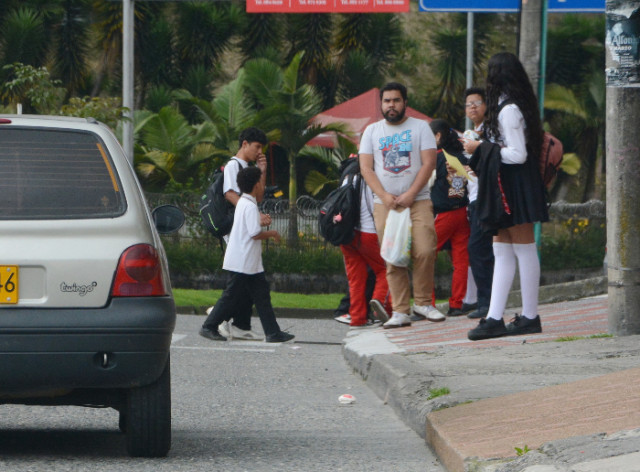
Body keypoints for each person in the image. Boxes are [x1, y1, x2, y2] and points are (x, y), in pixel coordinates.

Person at [463, 52, 549, 341]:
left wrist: (482, 148)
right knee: (502, 248)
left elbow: (518, 154)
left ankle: (529, 316)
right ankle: (496, 317)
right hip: (507, 184)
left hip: (514, 184)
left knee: (523, 248)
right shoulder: (510, 105)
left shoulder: (508, 110)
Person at [359, 82, 445, 329]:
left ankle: (423, 303)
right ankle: (400, 311)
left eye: (396, 100)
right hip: (385, 204)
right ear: (381, 104)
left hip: (418, 201)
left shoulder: (421, 128)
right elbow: (366, 168)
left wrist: (411, 193)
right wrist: (385, 196)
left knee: (425, 249)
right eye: (387, 101)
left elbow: (428, 163)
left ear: (405, 102)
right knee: (393, 256)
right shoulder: (372, 131)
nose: (391, 105)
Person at [200, 166, 294, 343]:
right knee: (231, 296)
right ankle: (209, 326)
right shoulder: (249, 205)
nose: (263, 186)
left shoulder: (244, 203)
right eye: (261, 182)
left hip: (249, 262)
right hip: (242, 262)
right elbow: (254, 233)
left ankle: (273, 332)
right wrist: (272, 233)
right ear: (256, 184)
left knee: (261, 296)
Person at [205, 127, 271, 341]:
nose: (259, 151)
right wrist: (253, 214)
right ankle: (217, 318)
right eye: (257, 147)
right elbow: (230, 193)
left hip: (244, 229)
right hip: (236, 230)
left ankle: (239, 323)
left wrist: (262, 169)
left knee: (246, 282)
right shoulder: (234, 166)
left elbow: (258, 196)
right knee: (239, 283)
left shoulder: (248, 166)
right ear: (244, 144)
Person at [338, 156, 392, 328]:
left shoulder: (348, 174)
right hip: (368, 233)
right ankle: (380, 302)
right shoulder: (372, 177)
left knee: (356, 279)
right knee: (386, 269)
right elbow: (375, 207)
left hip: (347, 234)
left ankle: (357, 317)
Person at [428, 119, 470, 317]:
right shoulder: (459, 157)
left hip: (442, 214)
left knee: (425, 256)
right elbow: (459, 188)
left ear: (437, 136)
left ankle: (428, 303)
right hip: (462, 212)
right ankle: (456, 304)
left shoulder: (435, 158)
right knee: (460, 260)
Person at [463, 87, 495, 320]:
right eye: (468, 104)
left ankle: (488, 303)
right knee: (480, 250)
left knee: (480, 249)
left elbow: (495, 157)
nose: (472, 107)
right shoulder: (471, 133)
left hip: (487, 197)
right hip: (474, 197)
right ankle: (486, 302)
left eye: (477, 102)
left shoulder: (491, 132)